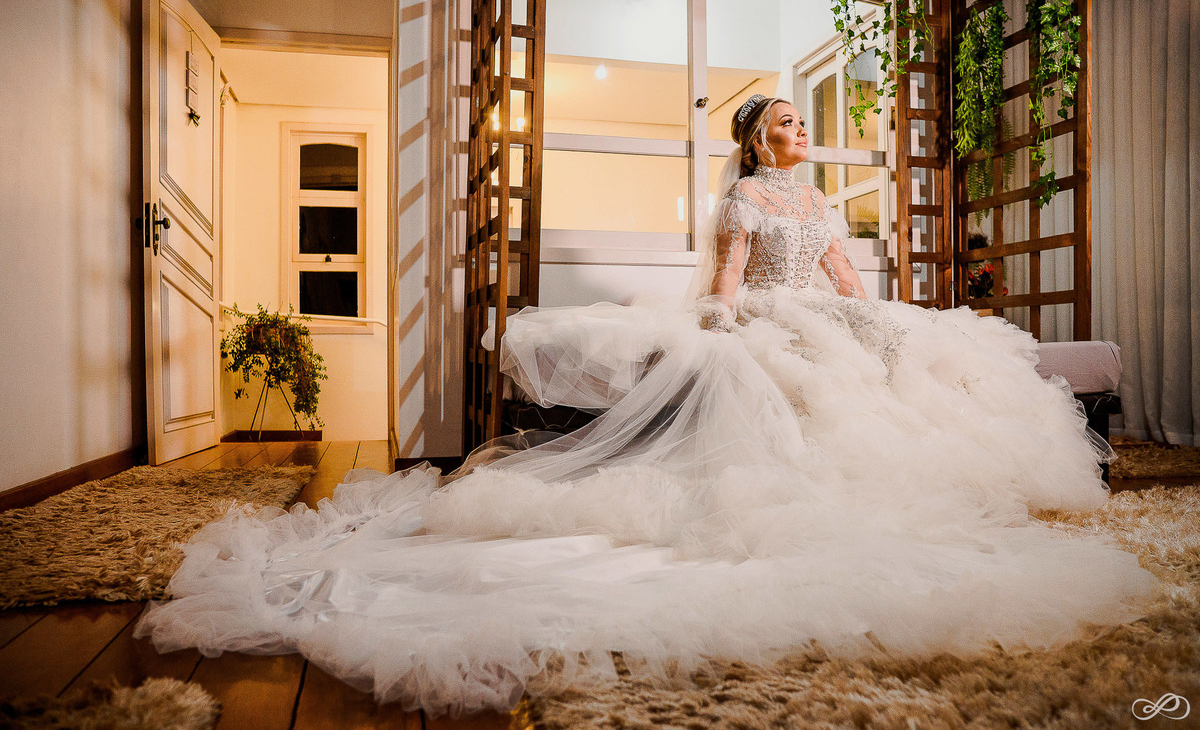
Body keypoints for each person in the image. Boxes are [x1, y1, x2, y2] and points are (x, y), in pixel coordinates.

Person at [135, 95, 1158, 717]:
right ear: (758, 144)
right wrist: (726, 326)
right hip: (764, 309)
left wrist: (885, 317)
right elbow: (730, 278)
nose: (800, 132)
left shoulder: (823, 202)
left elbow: (848, 275)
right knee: (791, 352)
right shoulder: (747, 199)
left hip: (828, 311)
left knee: (891, 338)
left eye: (804, 122)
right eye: (785, 123)